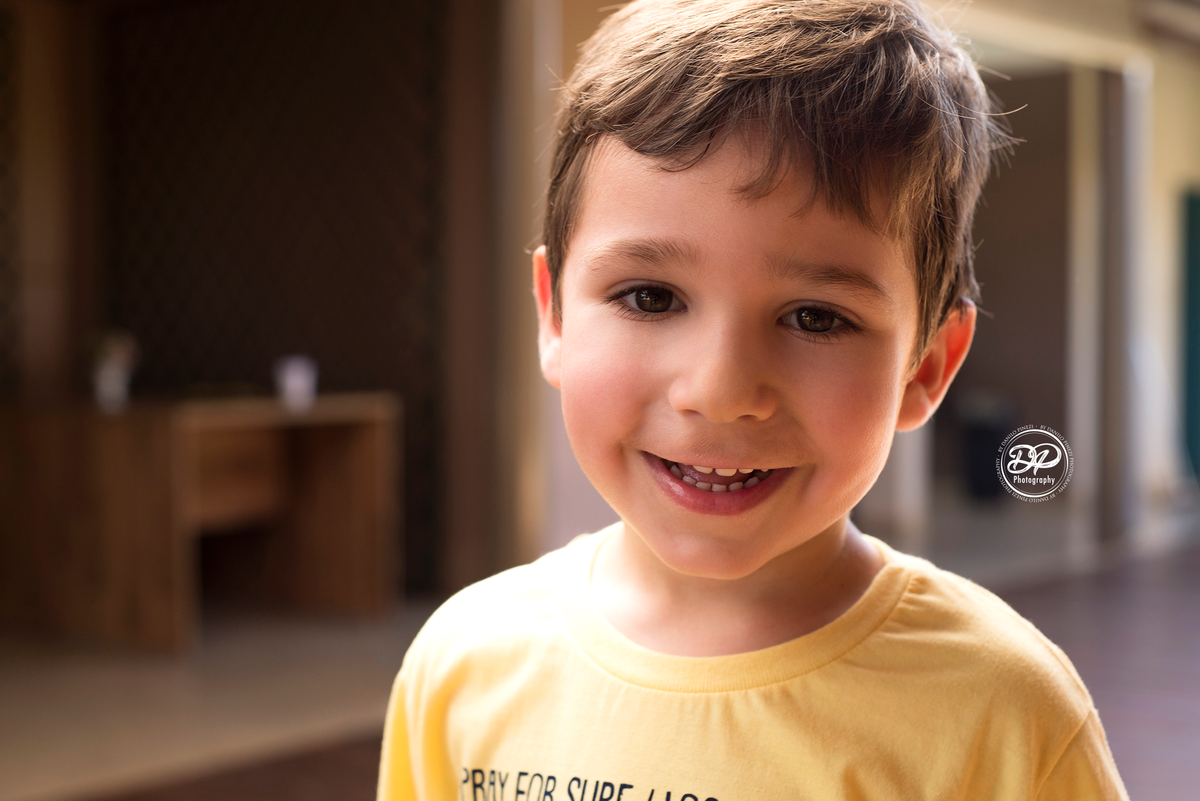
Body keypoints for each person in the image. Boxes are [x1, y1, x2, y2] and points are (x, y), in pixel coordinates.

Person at [378, 0, 1130, 798]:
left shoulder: (1003, 716)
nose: (721, 391)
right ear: (554, 315)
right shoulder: (463, 664)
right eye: (650, 297)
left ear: (926, 368)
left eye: (815, 317)